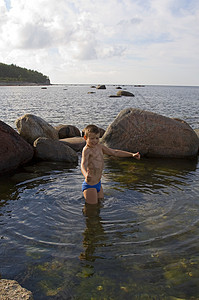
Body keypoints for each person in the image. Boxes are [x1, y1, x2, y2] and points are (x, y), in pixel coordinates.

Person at [81, 124, 140, 205]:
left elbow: (115, 152)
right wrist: (85, 174)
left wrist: (131, 155)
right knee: (92, 210)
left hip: (98, 184)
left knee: (100, 204)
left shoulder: (100, 147)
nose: (94, 141)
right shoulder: (86, 150)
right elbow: (83, 164)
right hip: (90, 185)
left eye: (97, 138)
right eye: (91, 139)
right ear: (85, 138)